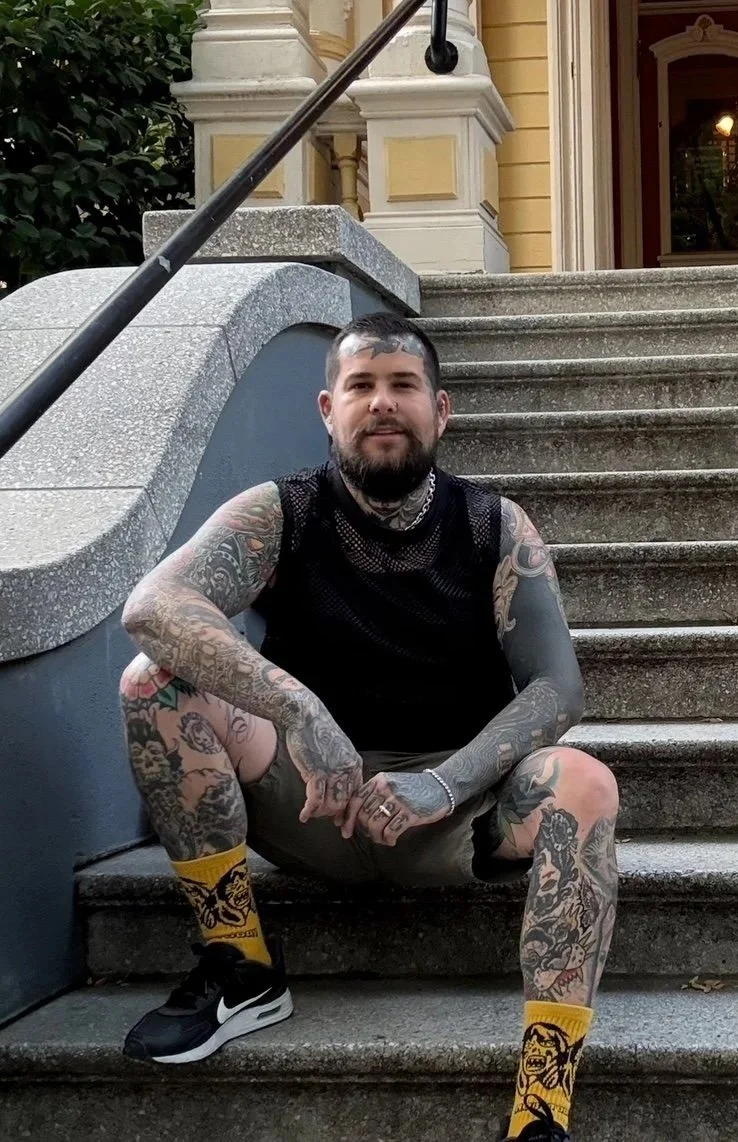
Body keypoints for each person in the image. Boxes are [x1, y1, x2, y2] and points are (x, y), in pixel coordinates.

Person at [118, 312, 619, 1141]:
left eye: (402, 386)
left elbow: (557, 687)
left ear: (441, 409)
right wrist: (299, 708)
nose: (382, 404)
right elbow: (154, 606)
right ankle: (240, 963)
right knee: (155, 683)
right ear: (327, 409)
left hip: (450, 813)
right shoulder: (281, 513)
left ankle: (541, 1105)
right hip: (310, 801)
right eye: (361, 386)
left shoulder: (494, 527)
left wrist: (444, 781)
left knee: (586, 782)